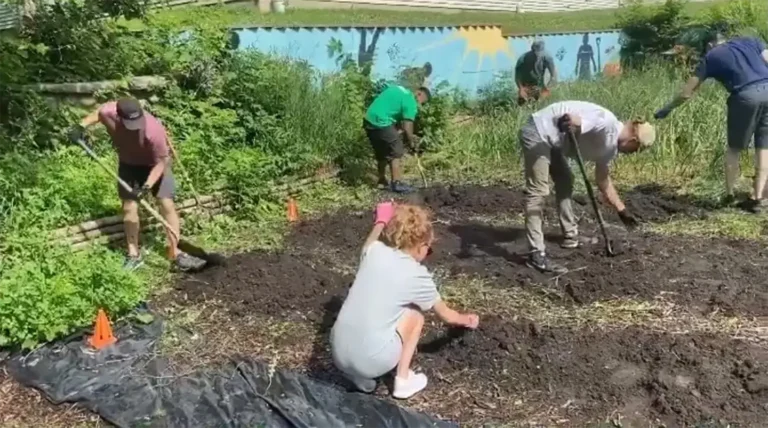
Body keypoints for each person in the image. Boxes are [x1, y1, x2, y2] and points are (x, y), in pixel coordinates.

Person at [331, 202, 479, 399]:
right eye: (429, 248)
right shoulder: (417, 276)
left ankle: (360, 379)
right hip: (371, 361)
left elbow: (370, 241)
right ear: (422, 246)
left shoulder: (374, 252)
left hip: (338, 354)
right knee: (415, 316)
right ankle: (403, 381)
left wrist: (381, 220)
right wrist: (467, 319)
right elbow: (447, 315)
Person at [520, 101, 656, 273]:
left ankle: (570, 236)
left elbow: (603, 180)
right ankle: (536, 254)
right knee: (538, 191)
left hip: (554, 140)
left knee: (565, 180)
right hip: (539, 131)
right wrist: (571, 121)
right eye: (636, 149)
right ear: (633, 140)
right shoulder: (606, 122)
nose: (632, 153)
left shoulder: (610, 148)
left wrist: (622, 210)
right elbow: (576, 120)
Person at [70, 98, 193, 271]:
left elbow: (162, 162)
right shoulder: (108, 112)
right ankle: (134, 254)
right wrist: (80, 126)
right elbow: (98, 114)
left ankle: (175, 252)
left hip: (157, 164)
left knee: (166, 203)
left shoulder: (153, 130)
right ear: (119, 117)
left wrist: (146, 187)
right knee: (129, 207)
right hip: (129, 165)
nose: (135, 127)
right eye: (130, 123)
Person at [655, 32, 768, 212]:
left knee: (734, 148)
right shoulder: (751, 40)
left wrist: (667, 109)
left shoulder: (710, 57)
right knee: (764, 146)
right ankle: (758, 197)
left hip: (745, 97)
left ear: (710, 44)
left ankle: (730, 195)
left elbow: (686, 93)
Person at [364, 84, 431, 194]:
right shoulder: (411, 102)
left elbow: (394, 113)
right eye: (420, 101)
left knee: (381, 151)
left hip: (369, 119)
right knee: (397, 148)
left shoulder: (399, 89)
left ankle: (381, 180)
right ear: (419, 93)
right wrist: (411, 143)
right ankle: (397, 183)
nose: (419, 104)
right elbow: (407, 125)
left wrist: (399, 132)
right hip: (381, 121)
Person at [515, 40, 557, 106]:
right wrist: (521, 88)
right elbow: (517, 76)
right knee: (522, 104)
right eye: (535, 52)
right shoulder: (522, 59)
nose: (537, 54)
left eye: (539, 52)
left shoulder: (547, 58)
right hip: (526, 85)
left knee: (542, 104)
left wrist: (547, 89)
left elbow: (553, 76)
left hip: (540, 85)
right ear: (532, 50)